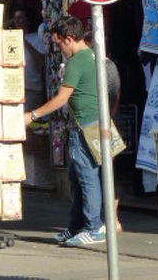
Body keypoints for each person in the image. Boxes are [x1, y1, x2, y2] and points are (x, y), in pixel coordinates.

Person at [24, 15, 105, 247]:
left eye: (59, 43)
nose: (59, 48)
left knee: (86, 177)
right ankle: (77, 226)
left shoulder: (77, 61)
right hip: (89, 124)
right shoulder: (90, 54)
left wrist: (33, 115)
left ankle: (93, 228)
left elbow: (61, 98)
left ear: (69, 39)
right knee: (77, 178)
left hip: (84, 126)